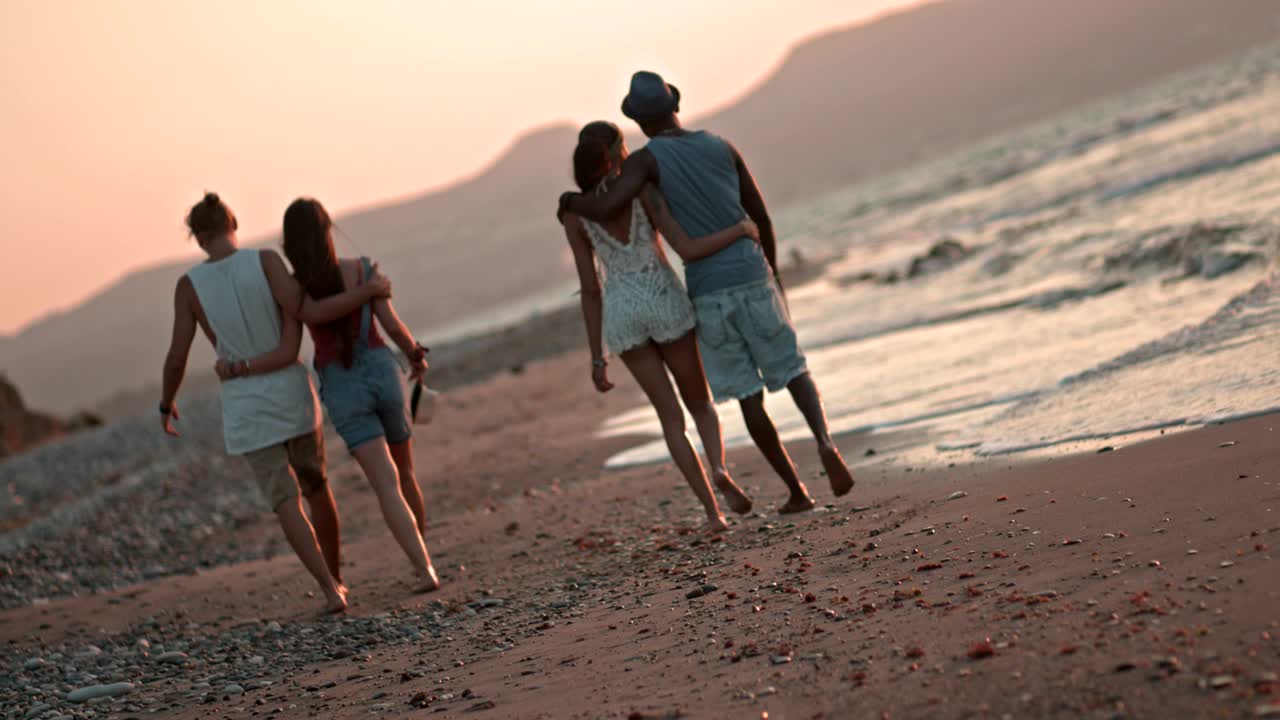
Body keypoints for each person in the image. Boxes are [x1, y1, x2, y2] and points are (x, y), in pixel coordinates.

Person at [559, 72, 856, 514]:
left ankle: (782, 493)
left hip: (685, 294)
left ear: (639, 121)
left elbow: (598, 237)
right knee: (786, 371)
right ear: (674, 105)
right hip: (736, 278)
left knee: (738, 396)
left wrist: (569, 201)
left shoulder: (640, 167)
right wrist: (770, 272)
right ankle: (823, 442)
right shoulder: (715, 148)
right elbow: (757, 218)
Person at [161, 192, 391, 613]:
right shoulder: (266, 261)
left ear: (198, 237)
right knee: (317, 487)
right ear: (232, 223)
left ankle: (328, 589)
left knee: (284, 500)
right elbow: (305, 310)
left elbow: (178, 354)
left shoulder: (189, 286)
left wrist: (166, 402)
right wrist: (366, 294)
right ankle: (339, 575)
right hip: (291, 393)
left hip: (247, 408)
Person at [220, 198, 439, 593]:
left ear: (291, 242)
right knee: (404, 474)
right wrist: (413, 354)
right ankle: (423, 565)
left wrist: (239, 367)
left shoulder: (296, 293)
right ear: (328, 231)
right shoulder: (362, 271)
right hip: (381, 371)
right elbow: (390, 323)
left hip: (341, 384)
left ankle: (424, 569)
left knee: (385, 484)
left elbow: (295, 337)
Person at [563, 122, 757, 531]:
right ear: (617, 156)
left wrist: (597, 357)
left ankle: (712, 513)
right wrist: (738, 230)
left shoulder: (575, 214)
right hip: (663, 297)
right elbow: (684, 246)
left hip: (622, 310)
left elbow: (590, 290)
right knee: (699, 404)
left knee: (669, 419)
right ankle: (719, 468)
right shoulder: (643, 194)